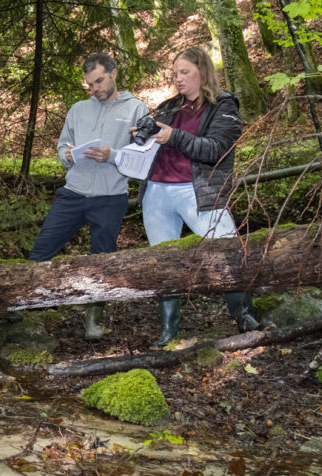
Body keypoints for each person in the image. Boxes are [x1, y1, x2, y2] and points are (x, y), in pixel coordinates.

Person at [138, 46, 272, 349]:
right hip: (157, 191)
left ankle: (245, 317)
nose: (178, 79)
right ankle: (168, 332)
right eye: (175, 73)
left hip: (199, 191)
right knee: (164, 261)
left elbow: (215, 149)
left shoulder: (223, 105)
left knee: (228, 250)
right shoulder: (169, 106)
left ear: (203, 71)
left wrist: (174, 136)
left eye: (184, 72)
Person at [29, 53, 148, 340]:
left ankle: (94, 318)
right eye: (90, 84)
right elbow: (62, 146)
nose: (95, 88)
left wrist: (113, 156)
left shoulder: (136, 109)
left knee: (103, 261)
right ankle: (27, 307)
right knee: (41, 252)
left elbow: (143, 157)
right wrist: (67, 155)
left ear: (114, 73)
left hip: (110, 197)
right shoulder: (78, 110)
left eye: (99, 81)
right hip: (73, 194)